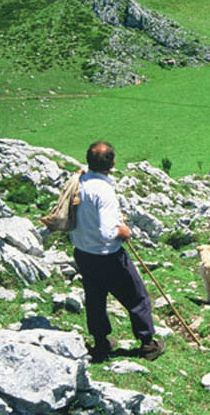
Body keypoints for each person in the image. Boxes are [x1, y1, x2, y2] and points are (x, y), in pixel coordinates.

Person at [71, 140, 165, 361]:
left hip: (83, 252)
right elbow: (106, 231)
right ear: (112, 162)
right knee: (137, 297)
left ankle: (101, 342)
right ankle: (148, 345)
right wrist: (122, 231)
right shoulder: (104, 191)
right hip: (108, 256)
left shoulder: (79, 180)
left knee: (95, 298)